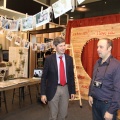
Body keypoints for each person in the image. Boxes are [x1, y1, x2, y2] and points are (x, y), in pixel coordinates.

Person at [41, 37, 75, 120]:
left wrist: (72, 91)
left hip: (65, 89)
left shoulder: (69, 59)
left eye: (64, 45)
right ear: (55, 47)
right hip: (53, 89)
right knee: (53, 115)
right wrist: (43, 93)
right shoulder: (49, 59)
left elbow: (71, 76)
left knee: (63, 114)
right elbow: (44, 77)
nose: (63, 48)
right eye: (61, 46)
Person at [88, 38, 120, 120]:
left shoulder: (116, 65)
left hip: (107, 105)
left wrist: (111, 110)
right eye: (97, 47)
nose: (98, 49)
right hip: (95, 103)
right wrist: (90, 94)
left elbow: (118, 90)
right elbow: (93, 80)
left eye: (101, 47)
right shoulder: (97, 63)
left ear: (109, 48)